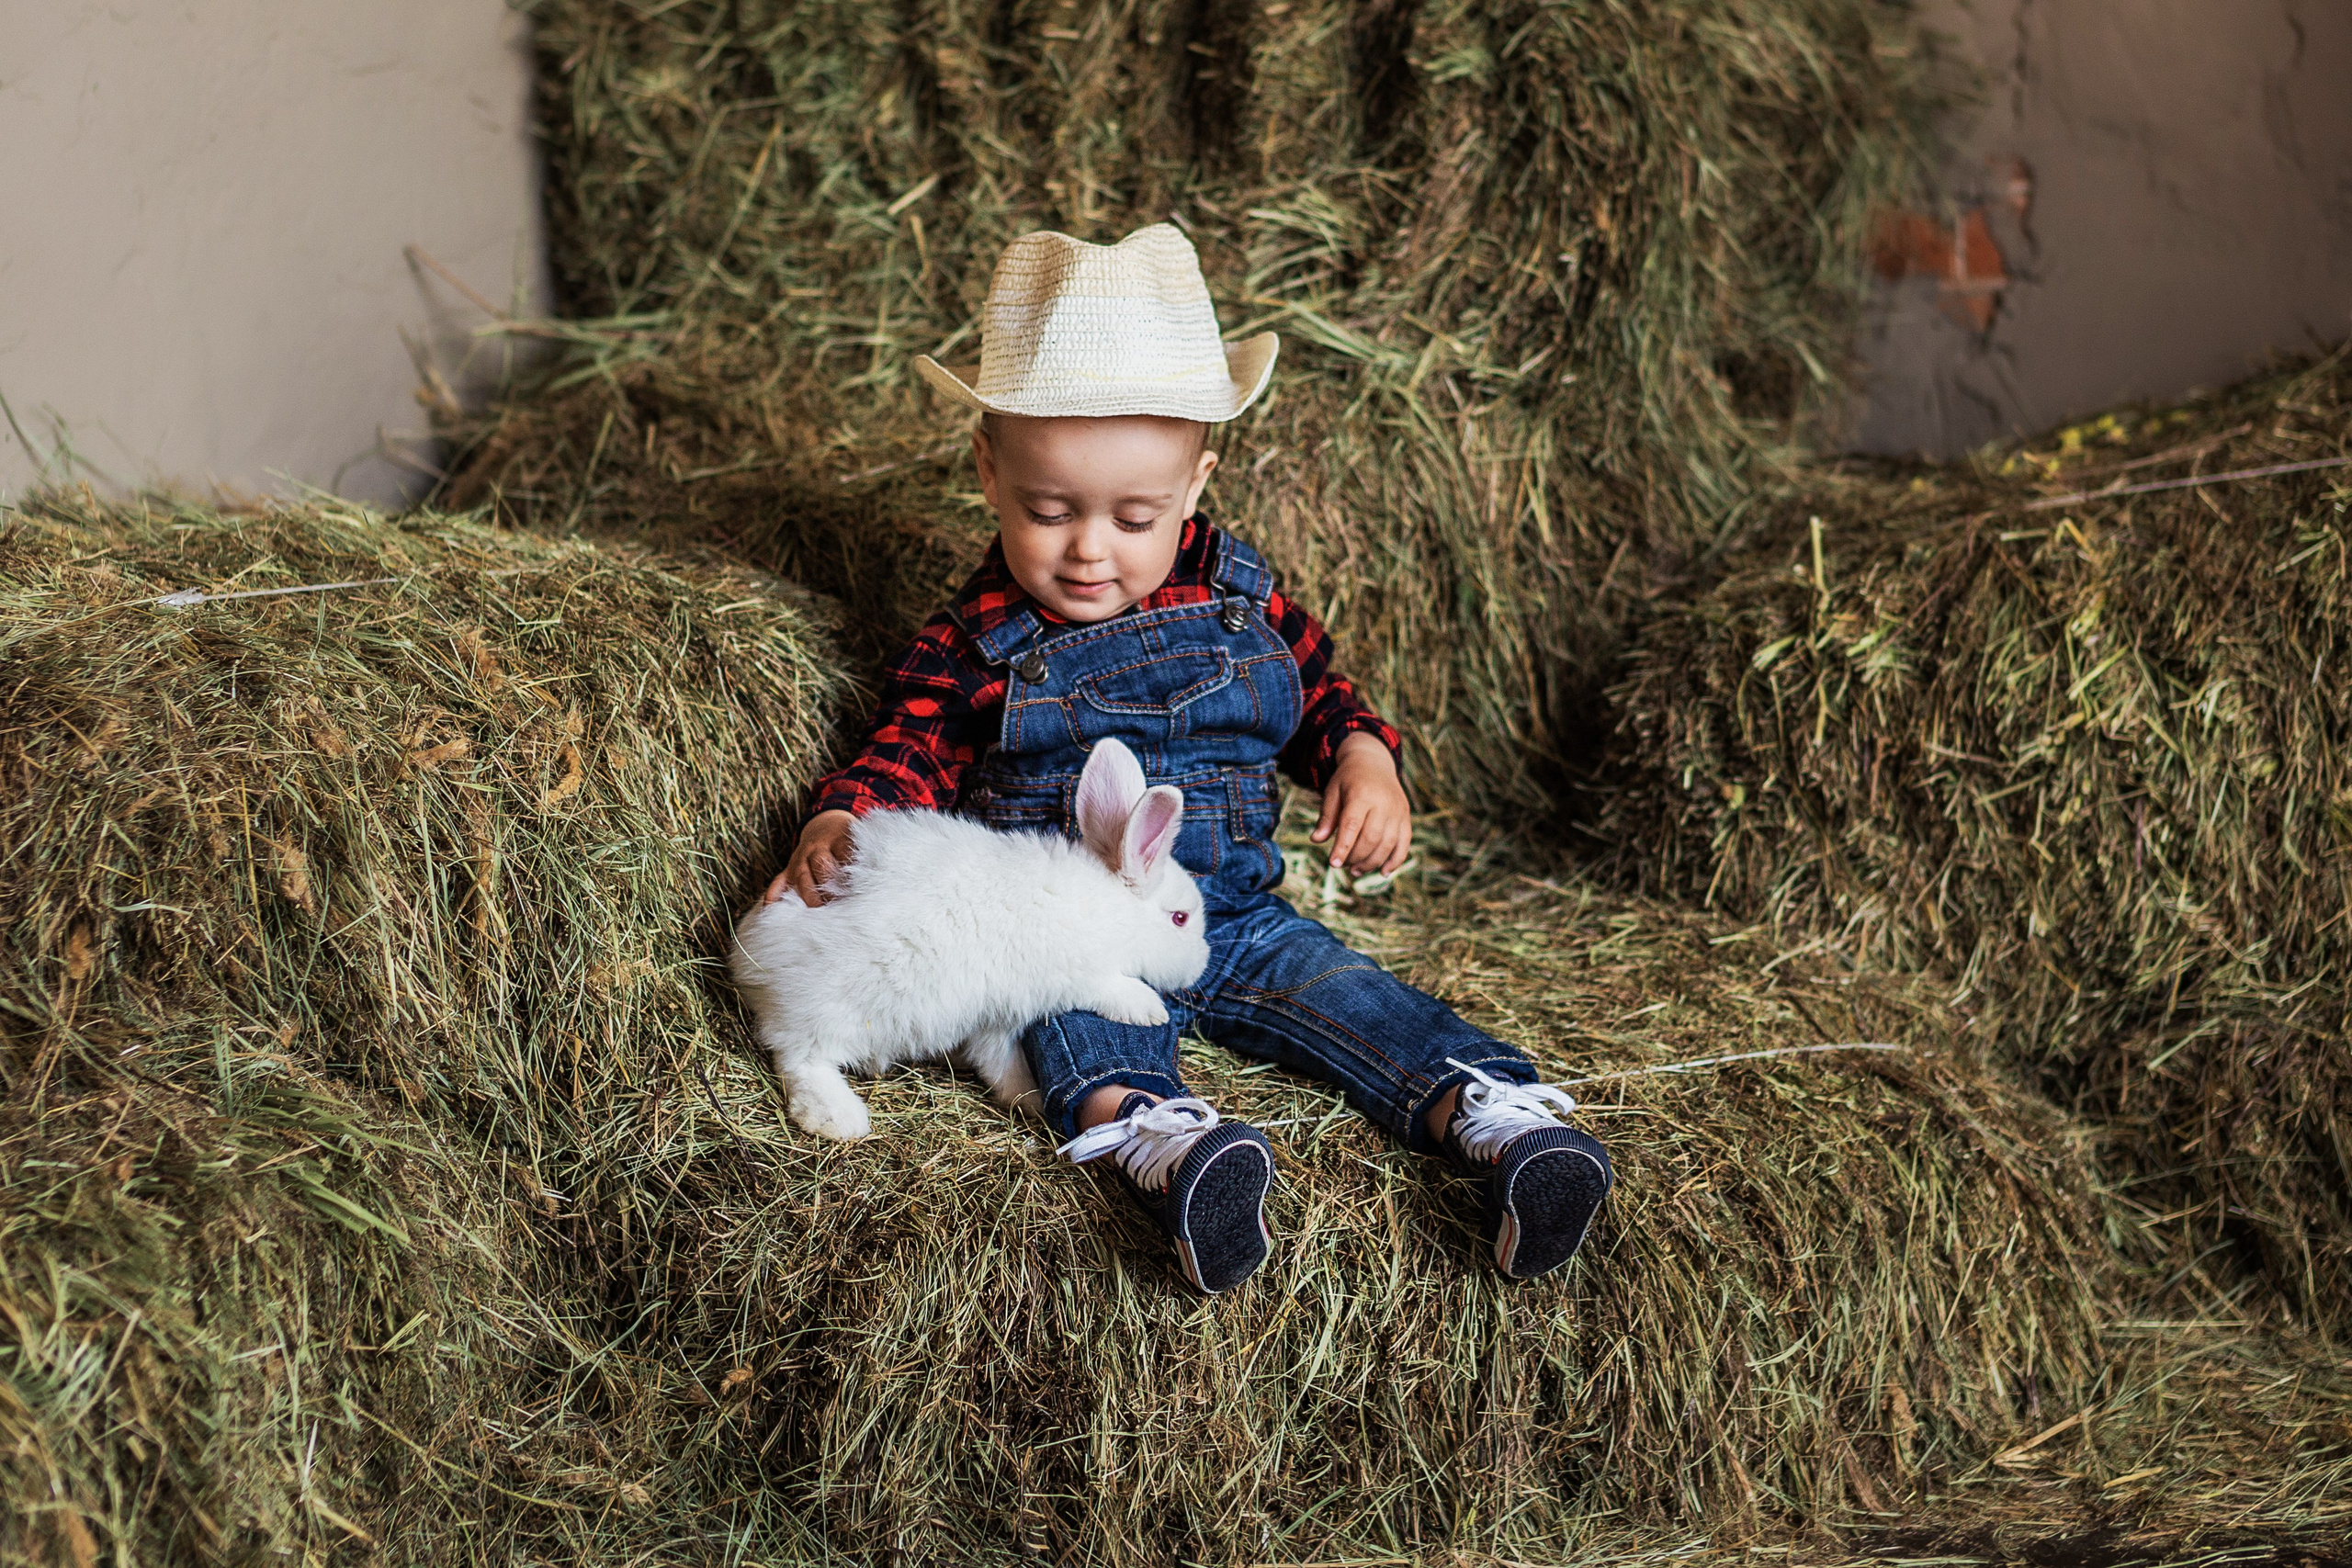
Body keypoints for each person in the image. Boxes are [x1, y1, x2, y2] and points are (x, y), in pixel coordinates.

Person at [765, 224, 1611, 1293]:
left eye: (1134, 516)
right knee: (1069, 1034)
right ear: (987, 470)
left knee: (1349, 995)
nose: (1088, 549)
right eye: (1049, 510)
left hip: (1239, 915)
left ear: (1195, 484)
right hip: (1069, 937)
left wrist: (1361, 756)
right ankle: (1173, 1151)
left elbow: (1321, 697)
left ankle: (1496, 1121)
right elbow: (905, 754)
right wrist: (843, 819)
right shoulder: (971, 647)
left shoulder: (1245, 600)